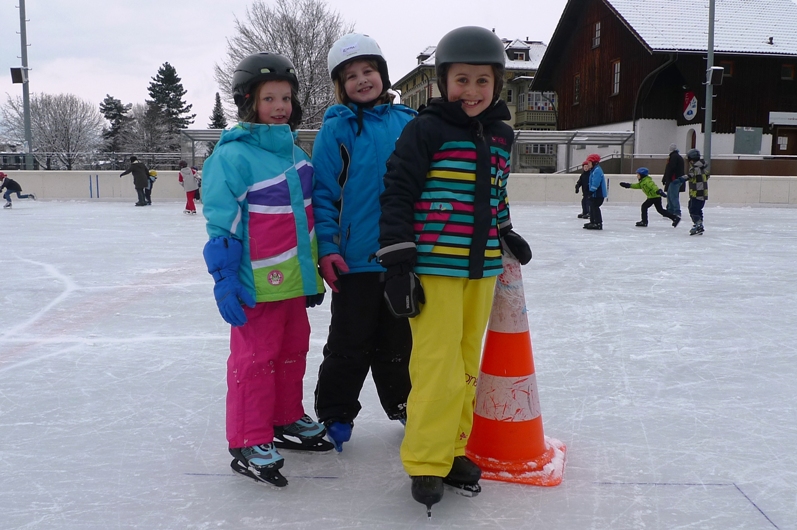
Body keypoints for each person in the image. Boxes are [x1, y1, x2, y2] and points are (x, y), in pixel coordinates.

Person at [376, 26, 532, 514]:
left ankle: (454, 449)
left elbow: (495, 191)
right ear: (443, 82)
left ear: (497, 84)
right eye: (462, 80)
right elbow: (397, 193)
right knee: (436, 366)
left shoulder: (502, 135)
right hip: (436, 267)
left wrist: (506, 230)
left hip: (481, 269)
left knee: (465, 365)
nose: (472, 91)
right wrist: (398, 264)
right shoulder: (426, 129)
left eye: (482, 81)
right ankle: (426, 459)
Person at [200, 51, 331, 489]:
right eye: (269, 98)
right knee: (255, 360)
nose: (280, 107)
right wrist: (225, 279)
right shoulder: (232, 157)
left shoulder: (297, 155)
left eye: (286, 98)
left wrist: (311, 275)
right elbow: (222, 225)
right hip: (255, 283)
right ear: (248, 102)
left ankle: (285, 417)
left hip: (293, 282)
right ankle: (249, 438)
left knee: (293, 351)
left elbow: (307, 221)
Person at [311, 33, 416, 452]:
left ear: (383, 74)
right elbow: (324, 195)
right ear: (341, 85)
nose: (362, 80)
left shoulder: (408, 122)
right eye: (351, 75)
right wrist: (328, 248)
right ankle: (336, 412)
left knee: (400, 342)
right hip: (353, 261)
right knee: (348, 343)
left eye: (368, 70)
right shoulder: (336, 129)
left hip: (402, 257)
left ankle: (405, 403)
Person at [674, 149, 710, 235]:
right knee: (698, 210)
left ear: (691, 159)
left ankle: (698, 224)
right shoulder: (703, 168)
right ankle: (699, 225)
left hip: (696, 193)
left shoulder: (694, 168)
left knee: (693, 209)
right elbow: (707, 175)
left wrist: (680, 179)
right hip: (703, 193)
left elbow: (689, 176)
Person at [662, 143, 685, 218]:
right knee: (670, 196)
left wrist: (666, 178)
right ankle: (670, 210)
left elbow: (671, 168)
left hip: (674, 180)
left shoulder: (673, 157)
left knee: (673, 196)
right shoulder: (676, 157)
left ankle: (675, 211)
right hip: (674, 179)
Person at [584, 153, 606, 230]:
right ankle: (593, 222)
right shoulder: (594, 170)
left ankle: (598, 223)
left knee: (595, 207)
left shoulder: (597, 170)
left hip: (598, 194)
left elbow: (596, 183)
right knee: (592, 207)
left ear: (594, 162)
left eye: (589, 162)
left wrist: (591, 191)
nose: (588, 164)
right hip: (595, 194)